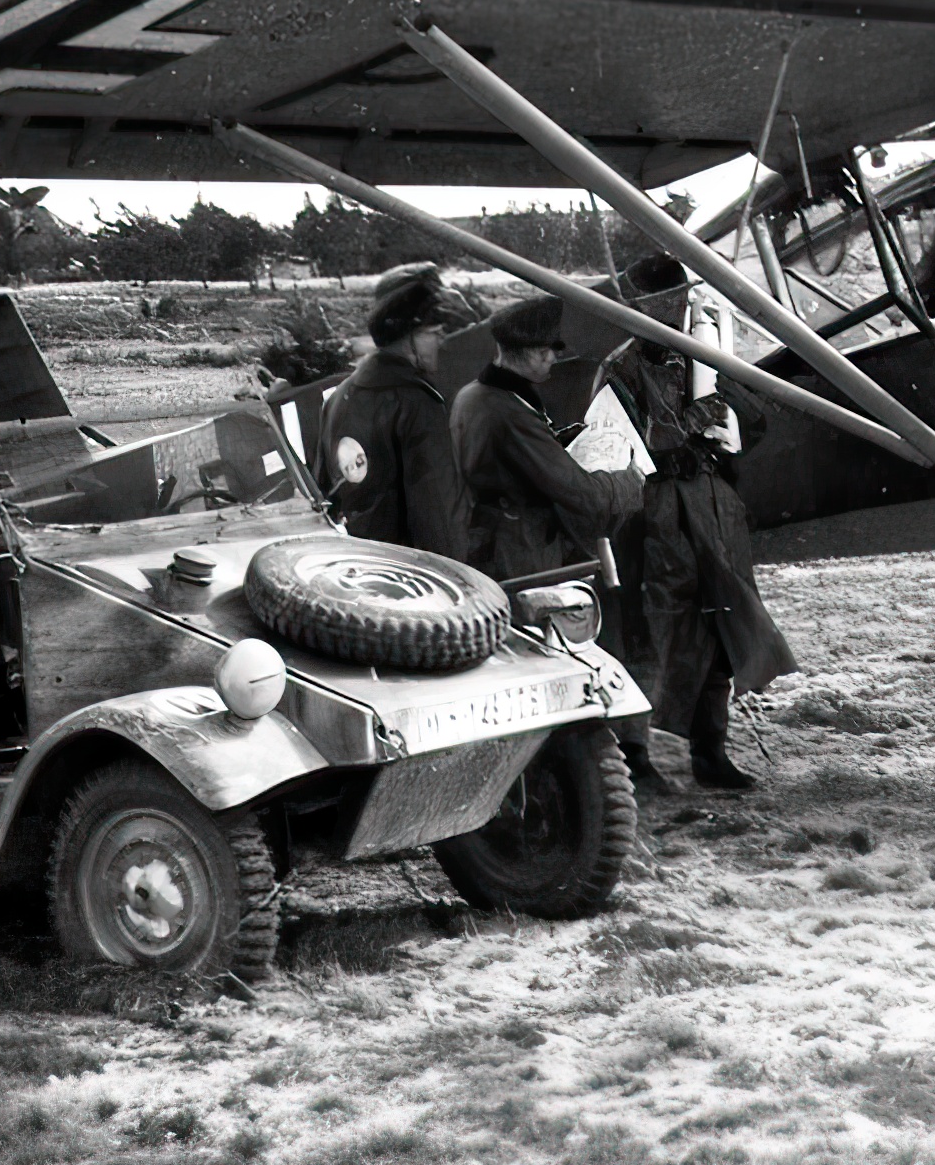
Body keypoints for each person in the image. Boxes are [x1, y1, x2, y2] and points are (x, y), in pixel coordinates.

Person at [597, 333, 798, 793]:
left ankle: (710, 751)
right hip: (655, 513)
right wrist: (688, 422)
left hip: (709, 509)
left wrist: (725, 394)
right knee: (648, 631)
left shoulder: (698, 356)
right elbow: (614, 440)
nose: (672, 317)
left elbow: (755, 419)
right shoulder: (620, 368)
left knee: (719, 623)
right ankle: (634, 754)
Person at [450, 295, 643, 585]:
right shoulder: (509, 413)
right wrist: (631, 482)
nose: (554, 358)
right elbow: (581, 494)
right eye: (547, 351)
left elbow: (509, 459)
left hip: (487, 537)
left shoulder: (474, 394)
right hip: (521, 553)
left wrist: (561, 438)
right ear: (532, 353)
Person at [317, 262, 473, 561]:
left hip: (359, 563)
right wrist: (460, 579)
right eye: (436, 332)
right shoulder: (417, 402)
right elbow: (438, 515)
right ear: (408, 335)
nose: (442, 341)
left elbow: (326, 494)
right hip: (415, 574)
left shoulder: (337, 397)